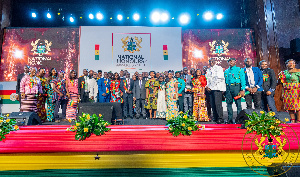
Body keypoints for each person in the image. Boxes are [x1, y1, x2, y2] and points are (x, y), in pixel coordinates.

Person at [224, 58, 246, 124]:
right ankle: (229, 120)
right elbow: (224, 81)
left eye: (232, 61)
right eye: (229, 61)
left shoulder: (239, 70)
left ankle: (239, 120)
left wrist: (242, 90)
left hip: (236, 87)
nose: (230, 62)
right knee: (228, 104)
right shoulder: (226, 71)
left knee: (238, 104)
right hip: (228, 88)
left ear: (235, 62)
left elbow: (243, 80)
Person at [206, 58, 226, 124]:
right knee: (213, 104)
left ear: (215, 62)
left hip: (217, 88)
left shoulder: (219, 68)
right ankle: (215, 117)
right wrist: (207, 86)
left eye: (212, 61)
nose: (211, 62)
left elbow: (219, 78)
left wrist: (211, 87)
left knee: (218, 104)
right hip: (211, 89)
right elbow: (208, 79)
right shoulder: (208, 70)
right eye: (210, 61)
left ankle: (220, 118)